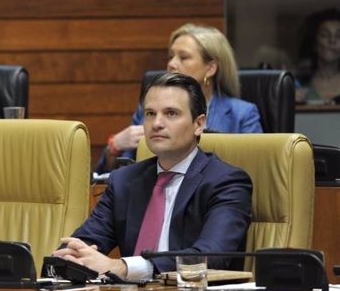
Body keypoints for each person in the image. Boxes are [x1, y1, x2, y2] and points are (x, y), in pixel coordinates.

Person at [54, 72, 253, 278]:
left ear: (199, 124)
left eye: (171, 113)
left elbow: (210, 256)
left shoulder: (227, 182)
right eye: (150, 113)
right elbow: (85, 241)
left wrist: (123, 267)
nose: (157, 123)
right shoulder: (124, 181)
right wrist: (74, 256)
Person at [96, 23, 262, 173]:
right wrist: (114, 147)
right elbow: (114, 176)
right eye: (171, 56)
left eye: (183, 57)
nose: (172, 64)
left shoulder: (242, 114)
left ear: (210, 68)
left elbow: (256, 172)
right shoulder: (149, 109)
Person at [296, 8, 340, 104]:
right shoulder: (300, 83)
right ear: (315, 44)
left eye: (338, 36)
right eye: (325, 35)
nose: (332, 41)